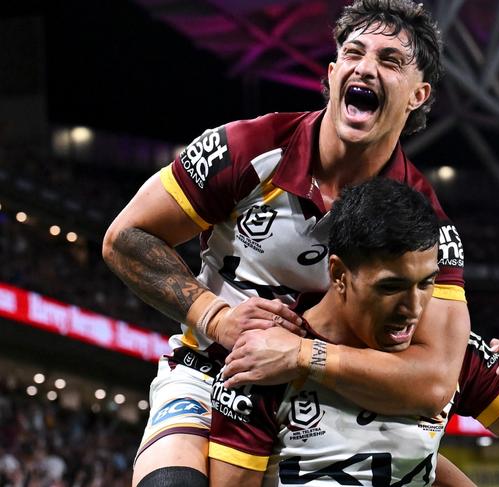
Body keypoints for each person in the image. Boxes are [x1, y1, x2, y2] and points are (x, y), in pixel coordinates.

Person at [102, 1, 469, 486]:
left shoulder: (424, 223)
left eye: (390, 60)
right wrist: (218, 317)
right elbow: (125, 237)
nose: (366, 67)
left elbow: (436, 379)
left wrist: (302, 358)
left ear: (418, 95)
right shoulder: (247, 148)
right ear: (334, 72)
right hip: (210, 374)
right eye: (354, 53)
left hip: (331, 400)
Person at [208, 179, 499, 487]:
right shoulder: (262, 361)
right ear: (339, 275)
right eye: (390, 287)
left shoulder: (451, 359)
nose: (413, 309)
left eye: (426, 283)